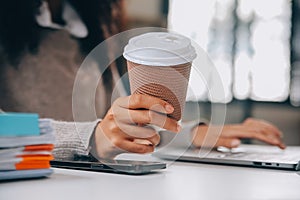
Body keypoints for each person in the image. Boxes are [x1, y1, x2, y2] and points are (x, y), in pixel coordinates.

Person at [0, 0, 285, 160]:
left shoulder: (90, 27)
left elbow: (114, 124)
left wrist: (186, 133)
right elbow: (5, 125)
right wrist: (87, 137)